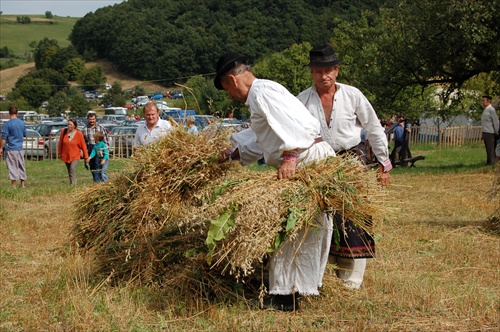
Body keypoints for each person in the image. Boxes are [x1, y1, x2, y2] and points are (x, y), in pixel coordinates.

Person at [214, 51, 336, 311]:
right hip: (304, 160)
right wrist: (231, 154)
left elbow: (295, 125)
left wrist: (290, 155)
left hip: (305, 162)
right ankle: (291, 292)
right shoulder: (262, 94)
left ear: (231, 81)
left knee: (296, 231)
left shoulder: (262, 92)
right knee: (295, 230)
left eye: (227, 89)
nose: (230, 96)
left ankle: (287, 296)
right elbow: (263, 137)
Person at [297, 45, 392, 290]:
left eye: (328, 70)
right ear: (312, 73)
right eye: (318, 71)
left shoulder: (353, 95)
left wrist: (384, 163)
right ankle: (322, 274)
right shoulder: (301, 100)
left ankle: (352, 279)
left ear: (337, 70)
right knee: (321, 216)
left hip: (352, 160)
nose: (323, 76)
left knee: (354, 216)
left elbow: (373, 127)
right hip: (318, 164)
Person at [0, 105, 26, 188]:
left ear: (9, 113)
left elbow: (4, 137)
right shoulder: (22, 123)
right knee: (21, 165)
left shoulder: (7, 124)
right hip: (20, 148)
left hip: (11, 148)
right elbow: (25, 134)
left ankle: (14, 185)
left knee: (12, 166)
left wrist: (0, 148)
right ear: (17, 113)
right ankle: (22, 184)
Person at [58, 118, 89, 185]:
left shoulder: (79, 133)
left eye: (71, 124)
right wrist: (59, 152)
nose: (69, 126)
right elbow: (61, 143)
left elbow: (83, 145)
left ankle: (74, 184)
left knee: (72, 168)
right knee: (69, 170)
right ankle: (71, 183)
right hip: (66, 155)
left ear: (74, 125)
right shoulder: (63, 131)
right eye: (68, 124)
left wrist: (86, 157)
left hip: (75, 155)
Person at [82, 112, 109, 182]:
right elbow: (83, 142)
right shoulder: (84, 129)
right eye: (90, 119)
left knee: (100, 168)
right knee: (93, 168)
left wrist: (105, 151)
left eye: (93, 119)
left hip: (100, 150)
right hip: (91, 149)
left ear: (95, 119)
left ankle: (102, 182)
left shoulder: (101, 128)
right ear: (88, 119)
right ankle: (96, 181)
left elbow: (106, 140)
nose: (92, 121)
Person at [480, 95, 499, 165]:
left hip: (490, 132)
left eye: (484, 100)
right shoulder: (486, 109)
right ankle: (488, 162)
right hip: (485, 131)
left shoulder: (491, 109)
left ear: (488, 101)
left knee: (491, 149)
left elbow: (496, 121)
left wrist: (497, 131)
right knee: (488, 148)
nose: (482, 102)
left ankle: (492, 163)